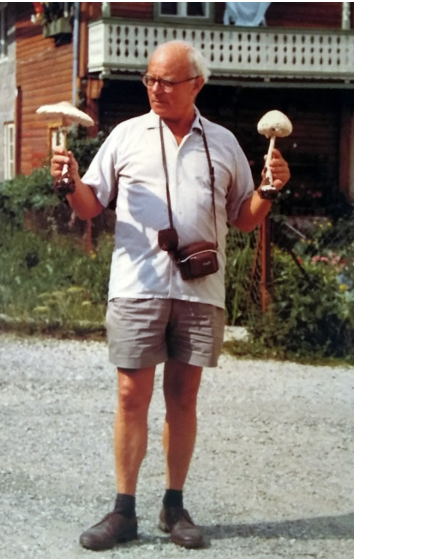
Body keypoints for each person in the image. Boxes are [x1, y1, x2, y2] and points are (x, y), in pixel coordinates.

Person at [50, 40, 291, 551]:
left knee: (183, 398)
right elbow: (91, 207)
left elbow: (243, 219)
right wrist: (69, 183)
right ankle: (123, 511)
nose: (155, 89)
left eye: (167, 81)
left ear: (196, 85)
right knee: (130, 395)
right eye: (149, 79)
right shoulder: (126, 136)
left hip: (201, 291)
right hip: (137, 285)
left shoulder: (223, 143)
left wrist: (268, 192)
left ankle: (174, 506)